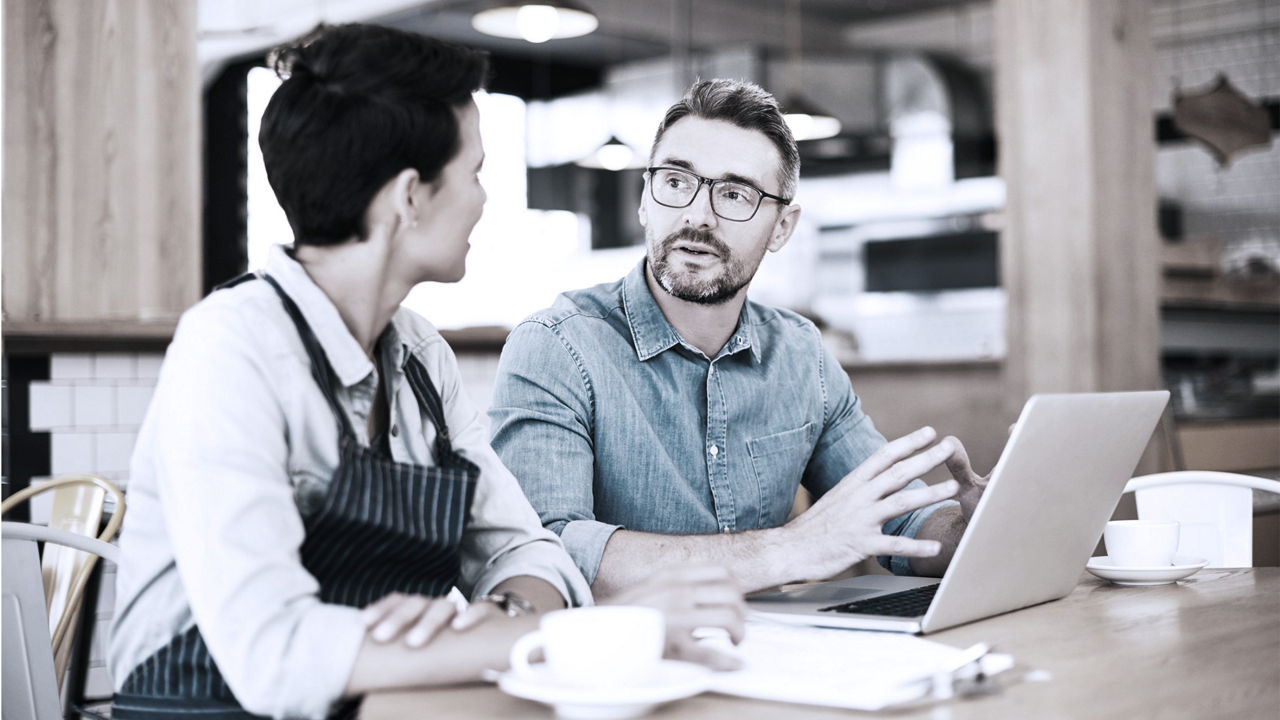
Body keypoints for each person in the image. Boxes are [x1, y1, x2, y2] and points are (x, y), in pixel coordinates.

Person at [108, 26, 743, 720]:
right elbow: (275, 658)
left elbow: (526, 552)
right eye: (475, 173)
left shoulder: (417, 354)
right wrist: (578, 633)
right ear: (410, 197)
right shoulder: (231, 347)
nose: (483, 199)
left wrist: (503, 617)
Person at [488, 78, 988, 600]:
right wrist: (788, 548)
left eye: (734, 194)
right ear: (644, 200)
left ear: (782, 228)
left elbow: (901, 521)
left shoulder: (800, 355)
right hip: (630, 651)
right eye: (676, 181)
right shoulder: (556, 347)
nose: (697, 216)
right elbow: (545, 552)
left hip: (770, 643)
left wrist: (975, 526)